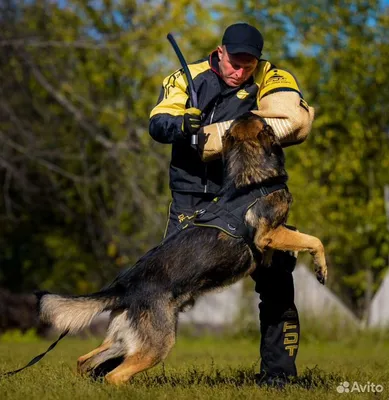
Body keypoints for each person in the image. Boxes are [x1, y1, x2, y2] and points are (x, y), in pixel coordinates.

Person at [149, 22, 310, 388]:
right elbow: (157, 123)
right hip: (194, 199)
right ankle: (109, 365)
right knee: (159, 288)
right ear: (220, 52)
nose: (240, 72)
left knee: (277, 285)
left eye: (248, 65)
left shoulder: (271, 75)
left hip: (246, 198)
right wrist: (182, 125)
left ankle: (278, 378)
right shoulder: (187, 77)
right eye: (234, 62)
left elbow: (294, 119)